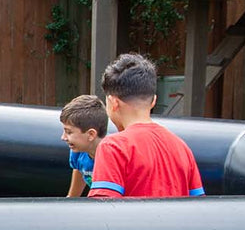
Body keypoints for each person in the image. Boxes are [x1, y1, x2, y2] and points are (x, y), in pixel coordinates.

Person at [87, 53, 205, 200]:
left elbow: (104, 207)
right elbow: (199, 203)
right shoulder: (182, 147)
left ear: (113, 102)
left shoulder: (113, 147)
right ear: (153, 101)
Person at [59, 94, 108, 197]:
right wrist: (72, 198)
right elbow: (80, 169)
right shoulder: (78, 152)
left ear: (91, 134)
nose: (63, 137)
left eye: (69, 132)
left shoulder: (111, 156)